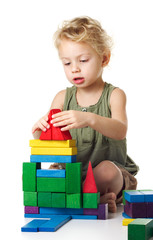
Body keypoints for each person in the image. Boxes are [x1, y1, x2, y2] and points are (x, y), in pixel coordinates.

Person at [32, 16, 139, 213]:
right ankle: (93, 198)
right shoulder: (62, 98)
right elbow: (49, 144)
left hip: (105, 173)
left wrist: (90, 119)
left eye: (83, 60)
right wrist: (40, 130)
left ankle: (83, 197)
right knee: (49, 175)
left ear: (104, 59)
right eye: (66, 63)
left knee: (107, 171)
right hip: (72, 172)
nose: (75, 68)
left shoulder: (114, 95)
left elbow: (120, 130)